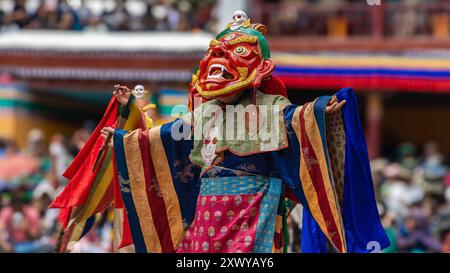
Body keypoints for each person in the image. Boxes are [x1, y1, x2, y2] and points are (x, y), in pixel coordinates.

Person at [52, 11, 389, 253]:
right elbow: (162, 139)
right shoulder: (205, 113)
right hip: (206, 210)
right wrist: (126, 129)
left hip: (254, 206)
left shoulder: (271, 106)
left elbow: (295, 119)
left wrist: (320, 112)